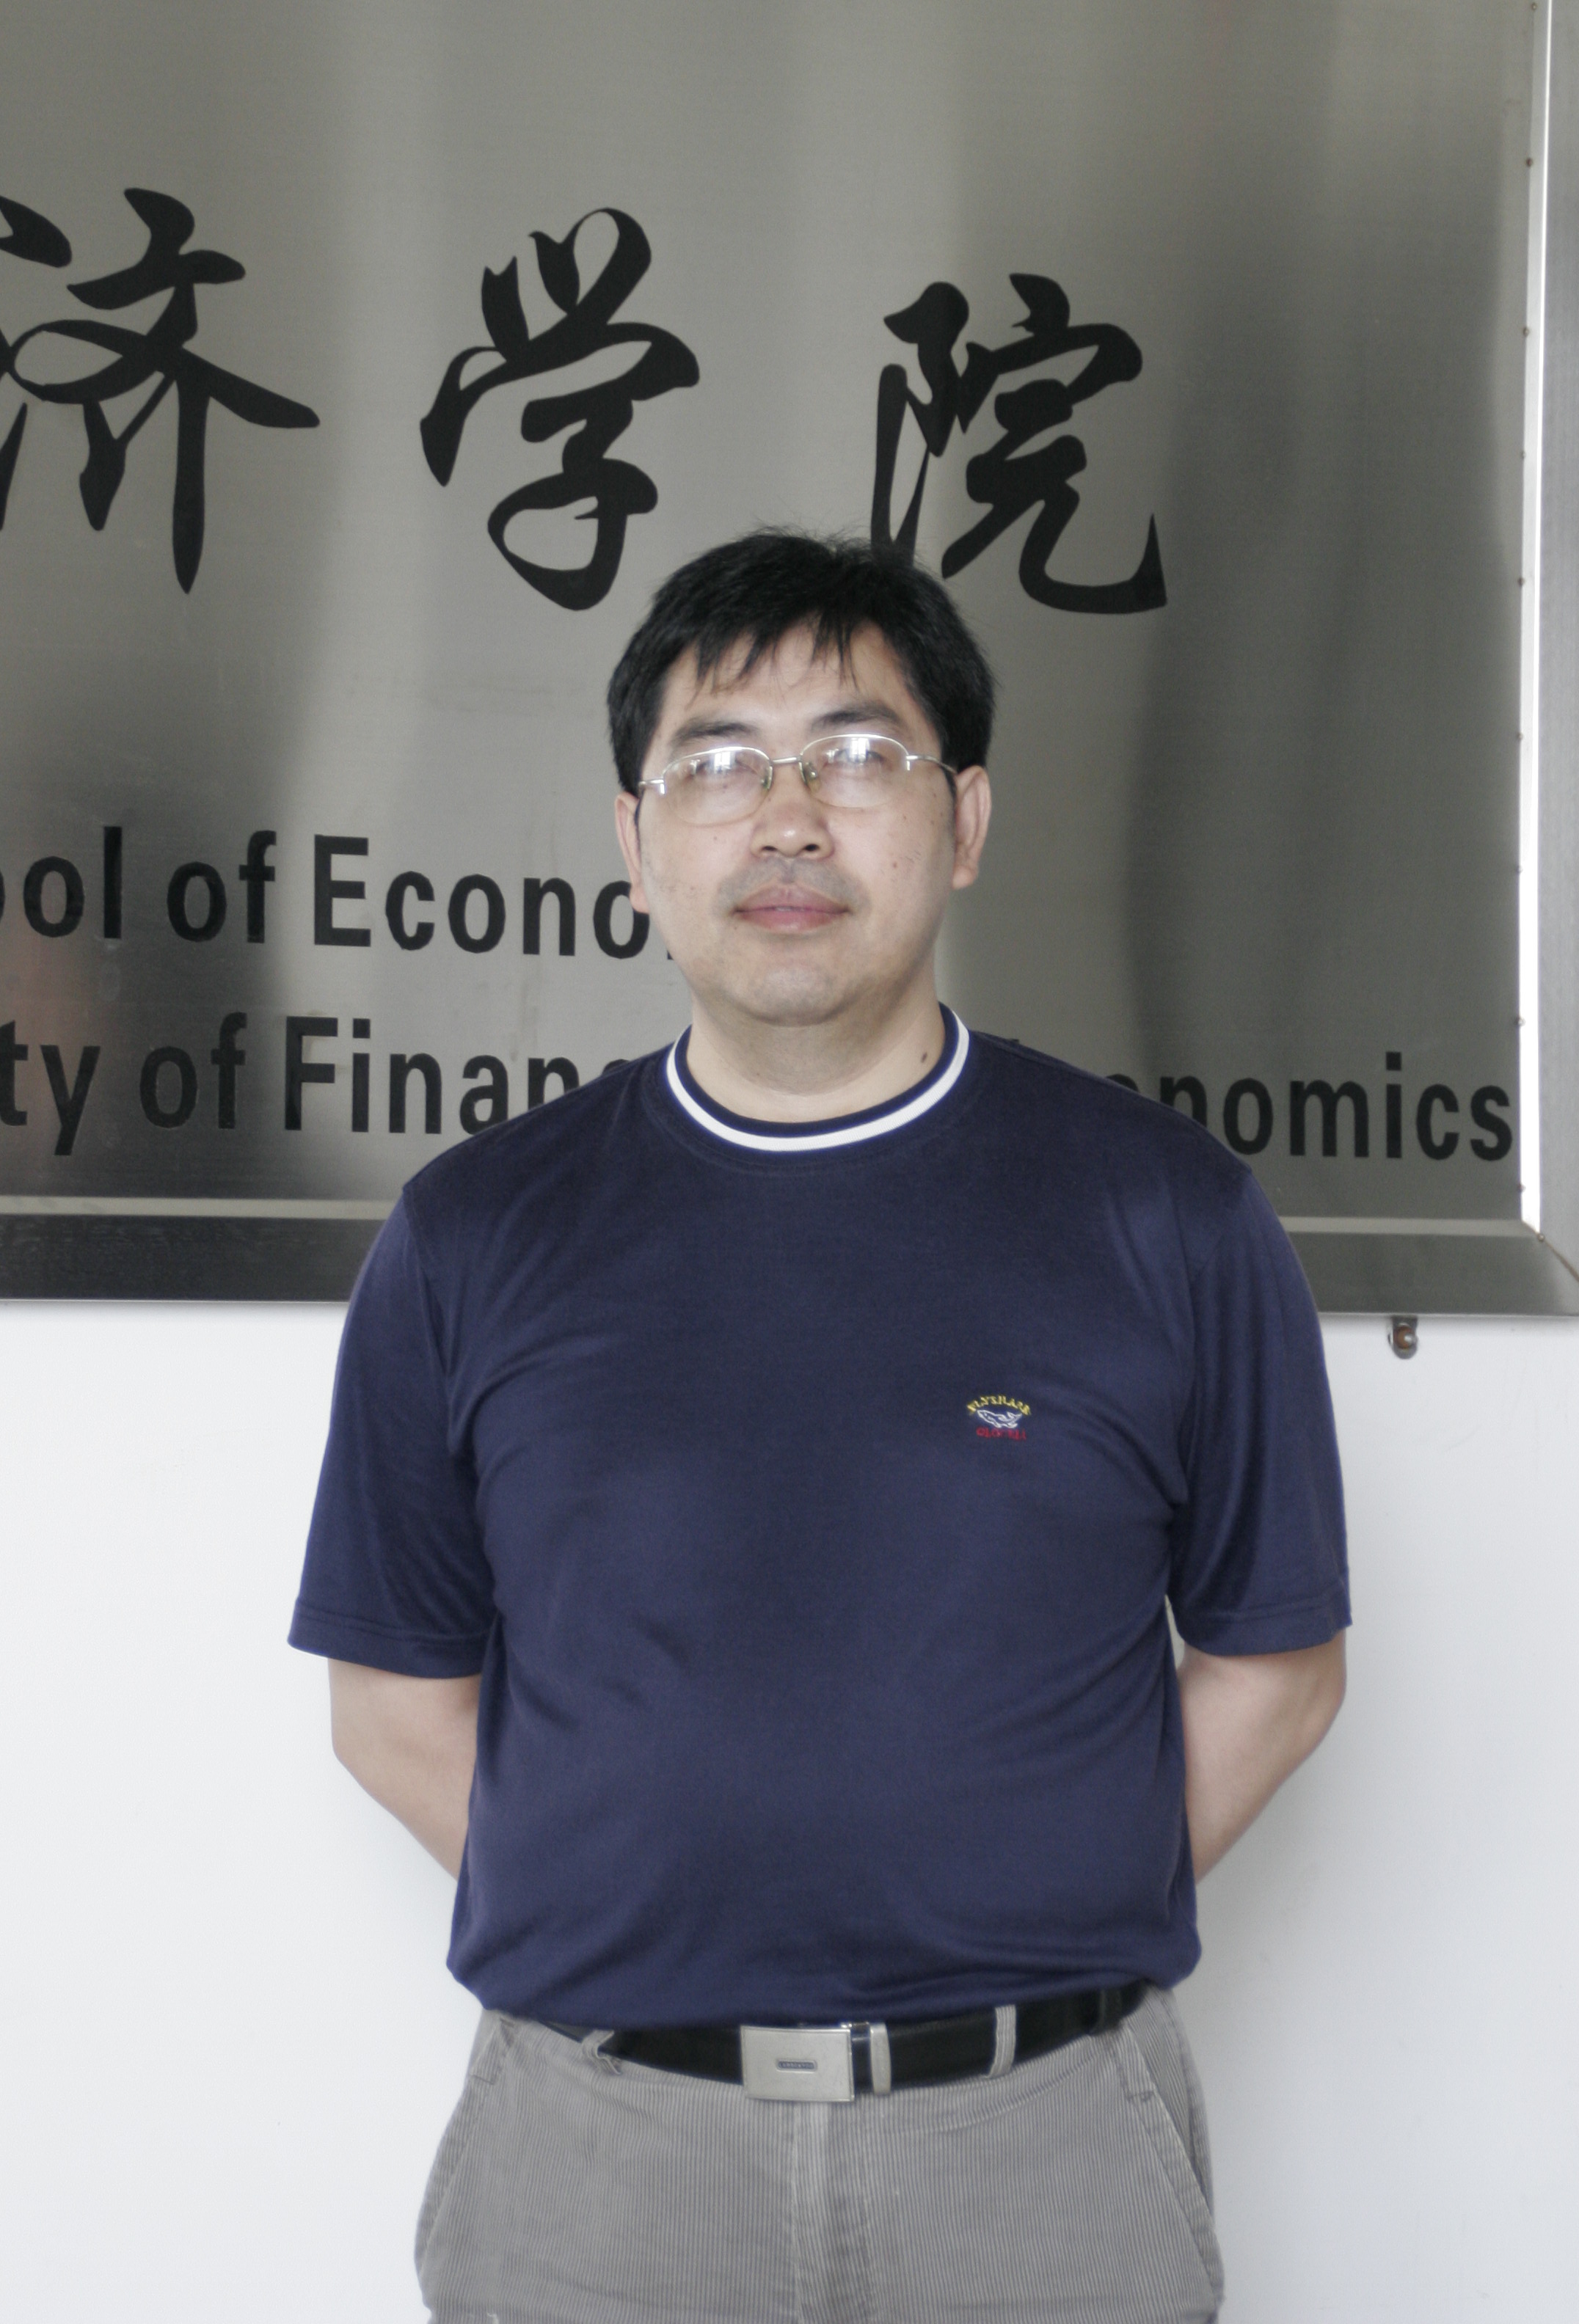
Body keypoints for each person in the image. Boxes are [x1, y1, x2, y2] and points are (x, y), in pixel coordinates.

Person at [290, 530, 1349, 2323]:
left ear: (965, 818)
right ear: (636, 843)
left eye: (857, 755)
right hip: (596, 2157)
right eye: (716, 765)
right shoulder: (475, 1233)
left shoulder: (1165, 1214)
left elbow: (1277, 1668)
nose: (787, 820)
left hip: (1041, 2150)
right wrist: (656, 1922)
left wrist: (1023, 1904)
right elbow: (393, 1708)